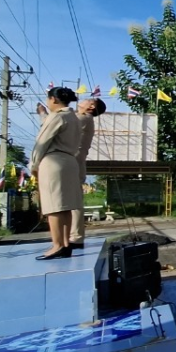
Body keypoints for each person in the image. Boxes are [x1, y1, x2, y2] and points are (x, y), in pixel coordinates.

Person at [32, 87, 83, 260]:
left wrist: (34, 164)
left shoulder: (57, 116)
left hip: (53, 161)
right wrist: (43, 115)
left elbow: (42, 141)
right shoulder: (74, 118)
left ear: (53, 99)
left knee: (53, 206)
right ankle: (66, 244)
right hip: (70, 161)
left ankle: (57, 245)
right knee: (65, 206)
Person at [68, 97, 106, 249]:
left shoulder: (84, 118)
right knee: (71, 200)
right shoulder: (82, 118)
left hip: (74, 162)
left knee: (73, 201)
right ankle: (72, 236)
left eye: (87, 99)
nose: (82, 100)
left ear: (91, 106)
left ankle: (75, 237)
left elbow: (63, 125)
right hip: (75, 162)